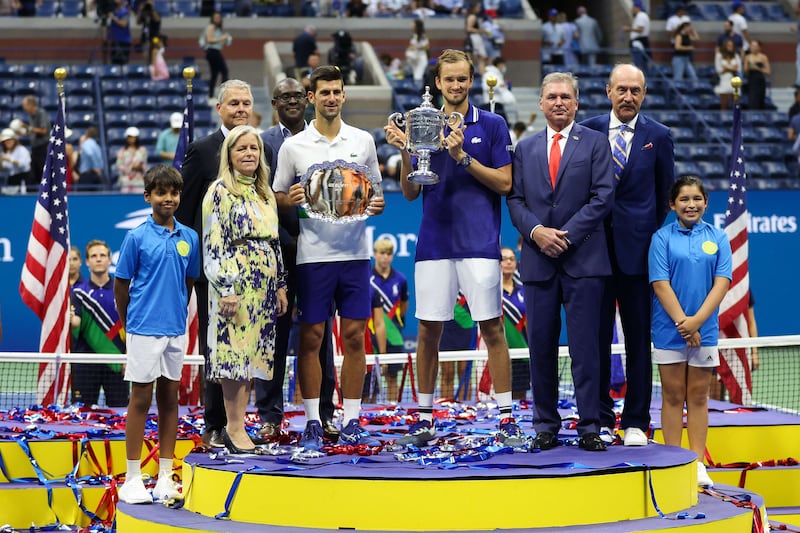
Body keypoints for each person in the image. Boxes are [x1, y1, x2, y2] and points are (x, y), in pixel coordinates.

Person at [385, 49, 523, 448]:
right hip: (434, 243)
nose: (457, 85)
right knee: (429, 331)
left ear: (471, 79)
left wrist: (462, 157)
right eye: (450, 79)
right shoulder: (421, 123)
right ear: (438, 83)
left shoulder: (493, 124)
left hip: (479, 243)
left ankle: (507, 418)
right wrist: (404, 151)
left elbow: (504, 183)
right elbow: (411, 192)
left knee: (492, 328)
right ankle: (425, 419)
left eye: (463, 78)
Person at [273, 65, 385, 450]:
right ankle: (312, 421)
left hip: (356, 254)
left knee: (355, 337)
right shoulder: (294, 146)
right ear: (312, 98)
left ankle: (352, 418)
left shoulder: (363, 141)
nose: (332, 98)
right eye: (324, 93)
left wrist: (376, 203)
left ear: (344, 95)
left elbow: (377, 197)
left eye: (337, 91)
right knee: (312, 338)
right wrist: (292, 198)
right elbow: (276, 196)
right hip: (312, 256)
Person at [507, 70, 614, 452]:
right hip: (538, 264)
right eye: (552, 97)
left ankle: (590, 426)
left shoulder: (596, 144)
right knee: (540, 347)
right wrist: (538, 232)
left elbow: (603, 197)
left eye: (566, 97)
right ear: (540, 103)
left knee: (586, 348)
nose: (559, 103)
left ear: (577, 103)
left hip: (584, 262)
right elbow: (515, 200)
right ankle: (545, 425)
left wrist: (564, 235)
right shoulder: (525, 148)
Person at [581, 63, 675, 447]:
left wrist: (641, 236)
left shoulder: (660, 136)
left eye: (635, 90)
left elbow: (663, 196)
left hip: (639, 258)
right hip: (592, 255)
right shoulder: (585, 130)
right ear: (608, 91)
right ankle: (601, 416)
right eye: (622, 89)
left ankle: (636, 419)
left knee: (638, 341)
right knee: (595, 339)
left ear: (644, 94)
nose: (628, 97)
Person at [256, 77, 340, 444]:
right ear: (274, 102)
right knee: (271, 336)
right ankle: (270, 417)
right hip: (276, 253)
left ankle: (325, 413)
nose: (291, 101)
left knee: (320, 338)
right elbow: (259, 198)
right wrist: (281, 239)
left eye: (297, 95)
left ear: (307, 100)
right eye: (284, 96)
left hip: (319, 250)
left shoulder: (323, 139)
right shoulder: (260, 144)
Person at [176, 79, 257, 449]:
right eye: (234, 103)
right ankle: (214, 423)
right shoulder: (202, 150)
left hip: (254, 274)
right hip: (215, 273)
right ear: (220, 109)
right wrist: (198, 267)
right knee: (217, 347)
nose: (241, 109)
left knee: (246, 349)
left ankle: (239, 424)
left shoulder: (260, 149)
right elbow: (188, 212)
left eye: (246, 103)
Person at [114, 164, 200, 504]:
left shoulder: (189, 237)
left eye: (174, 192)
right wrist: (129, 323)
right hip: (142, 330)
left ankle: (165, 475)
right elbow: (122, 286)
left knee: (169, 399)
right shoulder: (136, 237)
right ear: (148, 196)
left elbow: (188, 282)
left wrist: (176, 311)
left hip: (174, 330)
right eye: (161, 192)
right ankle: (133, 477)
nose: (169, 198)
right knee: (140, 399)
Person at [202, 125, 288, 454]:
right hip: (234, 288)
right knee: (233, 359)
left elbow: (274, 242)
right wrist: (226, 288)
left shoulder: (264, 192)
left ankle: (238, 424)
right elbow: (213, 244)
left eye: (254, 148)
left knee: (250, 359)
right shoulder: (219, 191)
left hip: (263, 290)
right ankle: (233, 427)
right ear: (229, 155)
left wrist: (280, 285)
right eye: (242, 149)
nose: (249, 153)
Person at [648, 175, 732, 488]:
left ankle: (697, 463)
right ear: (672, 205)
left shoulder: (719, 237)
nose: (691, 204)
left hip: (705, 331)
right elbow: (660, 283)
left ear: (706, 203)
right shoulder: (661, 238)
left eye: (696, 199)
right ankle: (673, 460)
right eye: (683, 199)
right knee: (671, 396)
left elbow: (722, 282)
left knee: (698, 397)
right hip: (669, 329)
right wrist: (685, 324)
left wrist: (697, 323)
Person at [70, 240, 129, 408]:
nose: (98, 259)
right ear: (87, 262)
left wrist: (128, 356)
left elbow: (131, 326)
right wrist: (69, 320)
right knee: (82, 415)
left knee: (120, 414)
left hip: (117, 362)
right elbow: (77, 323)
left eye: (102, 255)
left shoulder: (123, 290)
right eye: (93, 256)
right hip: (86, 363)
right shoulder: (79, 293)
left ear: (109, 260)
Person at [367, 238, 408, 403]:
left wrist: (395, 323)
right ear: (375, 254)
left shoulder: (401, 279)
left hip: (394, 336)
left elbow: (404, 304)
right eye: (382, 253)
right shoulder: (367, 278)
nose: (385, 257)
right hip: (371, 335)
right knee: (371, 382)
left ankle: (392, 412)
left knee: (392, 378)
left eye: (388, 253)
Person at [500, 246, 528, 400]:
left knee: (520, 397)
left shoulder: (523, 290)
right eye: (504, 259)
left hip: (521, 352)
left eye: (512, 259)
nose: (509, 262)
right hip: (498, 352)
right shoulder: (492, 292)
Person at [21, 95, 50, 186]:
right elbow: (33, 131)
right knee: (33, 174)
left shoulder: (41, 113)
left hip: (43, 147)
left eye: (25, 105)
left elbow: (43, 130)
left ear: (31, 105)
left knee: (42, 171)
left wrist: (28, 127)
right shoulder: (30, 116)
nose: (23, 108)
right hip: (35, 148)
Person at [203, 12, 232, 100]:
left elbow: (218, 41)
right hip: (213, 52)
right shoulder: (211, 27)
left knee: (214, 74)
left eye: (218, 17)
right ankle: (223, 95)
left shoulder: (218, 29)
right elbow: (209, 39)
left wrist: (226, 40)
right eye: (215, 17)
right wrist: (223, 38)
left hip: (214, 51)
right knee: (224, 71)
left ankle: (211, 95)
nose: (217, 19)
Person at [115, 126, 148, 193]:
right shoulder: (122, 151)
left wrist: (140, 167)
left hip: (139, 181)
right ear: (127, 138)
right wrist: (131, 168)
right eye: (130, 137)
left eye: (134, 137)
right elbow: (118, 165)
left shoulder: (142, 150)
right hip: (125, 181)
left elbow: (144, 165)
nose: (132, 139)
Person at [0, 128, 32, 192]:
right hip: (12, 179)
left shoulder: (22, 150)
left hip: (25, 179)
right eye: (5, 141)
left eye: (9, 140)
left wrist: (9, 160)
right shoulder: (6, 153)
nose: (7, 143)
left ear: (14, 140)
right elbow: (5, 169)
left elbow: (23, 165)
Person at [714, 38, 742, 111]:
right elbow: (719, 69)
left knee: (736, 103)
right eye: (728, 45)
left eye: (732, 46)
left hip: (734, 79)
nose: (730, 47)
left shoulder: (736, 56)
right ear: (725, 46)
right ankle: (724, 118)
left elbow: (738, 69)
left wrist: (726, 68)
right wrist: (732, 68)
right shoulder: (719, 55)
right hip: (723, 79)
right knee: (724, 103)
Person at [743, 39, 771, 110]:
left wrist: (758, 68)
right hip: (751, 81)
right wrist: (750, 67)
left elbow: (768, 71)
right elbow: (745, 71)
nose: (753, 48)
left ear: (759, 47)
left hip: (760, 81)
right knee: (752, 101)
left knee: (760, 101)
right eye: (752, 46)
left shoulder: (763, 57)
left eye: (755, 46)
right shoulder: (748, 57)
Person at [624, 1, 650, 74]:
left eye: (633, 8)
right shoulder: (639, 16)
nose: (632, 9)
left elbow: (640, 29)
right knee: (640, 64)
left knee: (639, 64)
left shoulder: (641, 15)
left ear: (637, 7)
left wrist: (628, 29)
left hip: (639, 42)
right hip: (639, 42)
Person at [76, 126, 105, 191]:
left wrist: (95, 167)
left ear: (87, 134)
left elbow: (90, 154)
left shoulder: (85, 144)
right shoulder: (96, 145)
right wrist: (99, 168)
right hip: (95, 176)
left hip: (87, 176)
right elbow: (100, 159)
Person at [106, 0, 132, 65]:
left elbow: (124, 24)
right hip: (114, 41)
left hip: (123, 42)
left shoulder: (124, 12)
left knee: (122, 62)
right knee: (114, 63)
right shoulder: (113, 12)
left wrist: (113, 18)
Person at [465, 1, 487, 75]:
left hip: (475, 37)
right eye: (478, 7)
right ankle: (481, 75)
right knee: (480, 57)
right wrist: (481, 30)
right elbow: (468, 28)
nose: (479, 9)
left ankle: (480, 74)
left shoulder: (474, 16)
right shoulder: (472, 17)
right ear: (474, 8)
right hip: (474, 38)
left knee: (480, 58)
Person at [405, 19, 430, 83]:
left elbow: (427, 47)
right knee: (415, 75)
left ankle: (419, 91)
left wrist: (416, 47)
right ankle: (417, 89)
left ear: (417, 25)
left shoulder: (422, 35)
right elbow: (412, 46)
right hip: (414, 58)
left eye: (413, 23)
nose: (412, 25)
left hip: (421, 58)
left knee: (418, 76)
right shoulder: (414, 35)